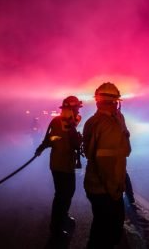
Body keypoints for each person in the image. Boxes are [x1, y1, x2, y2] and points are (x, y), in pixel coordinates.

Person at [83, 82, 131, 249]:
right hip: (106, 189)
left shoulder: (92, 121)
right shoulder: (109, 125)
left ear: (97, 101)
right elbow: (107, 160)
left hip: (94, 185)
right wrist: (114, 191)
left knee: (99, 228)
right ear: (115, 103)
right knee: (109, 233)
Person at [35, 96, 83, 238]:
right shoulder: (60, 122)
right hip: (60, 165)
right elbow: (52, 139)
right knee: (62, 196)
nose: (78, 110)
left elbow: (51, 139)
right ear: (70, 109)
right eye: (76, 108)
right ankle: (56, 228)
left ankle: (64, 216)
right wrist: (41, 148)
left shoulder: (66, 121)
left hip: (65, 164)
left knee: (67, 193)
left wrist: (41, 147)